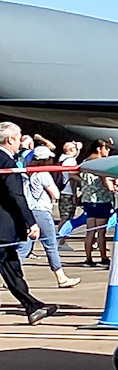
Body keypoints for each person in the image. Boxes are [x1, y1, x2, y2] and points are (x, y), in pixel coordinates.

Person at [0, 123, 55, 324]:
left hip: (3, 226)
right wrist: (30, 222)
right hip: (3, 225)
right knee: (10, 267)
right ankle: (32, 306)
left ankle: (33, 306)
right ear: (10, 140)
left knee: (11, 268)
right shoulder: (6, 162)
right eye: (19, 136)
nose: (22, 140)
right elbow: (16, 195)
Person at [22, 146, 78, 289]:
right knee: (50, 244)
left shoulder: (26, 172)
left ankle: (11, 274)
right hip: (41, 211)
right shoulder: (43, 174)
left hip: (29, 210)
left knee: (25, 245)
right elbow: (56, 194)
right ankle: (61, 278)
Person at [77, 137, 116, 267]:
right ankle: (103, 257)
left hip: (87, 200)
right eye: (106, 148)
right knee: (101, 231)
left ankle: (88, 258)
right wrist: (113, 188)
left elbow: (75, 173)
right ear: (99, 148)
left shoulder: (85, 161)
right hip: (101, 200)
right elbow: (106, 182)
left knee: (90, 230)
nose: (108, 151)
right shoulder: (101, 163)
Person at [56, 140, 80, 228]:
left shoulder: (62, 159)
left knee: (64, 217)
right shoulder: (70, 161)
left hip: (63, 190)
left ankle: (61, 238)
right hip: (68, 192)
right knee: (67, 218)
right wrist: (82, 181)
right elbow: (72, 175)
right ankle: (61, 239)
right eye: (74, 149)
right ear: (69, 150)